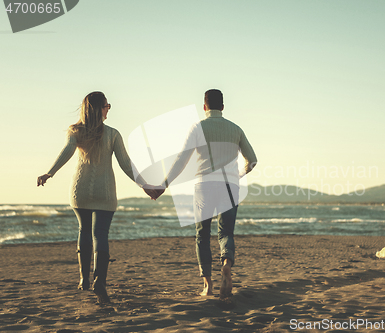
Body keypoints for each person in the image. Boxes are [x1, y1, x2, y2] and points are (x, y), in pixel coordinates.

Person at [37, 91, 160, 303]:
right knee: (100, 234)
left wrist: (50, 172)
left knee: (84, 230)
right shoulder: (112, 134)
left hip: (80, 191)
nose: (109, 109)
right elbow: (126, 164)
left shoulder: (75, 131)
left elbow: (67, 151)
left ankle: (84, 279)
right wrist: (145, 186)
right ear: (98, 109)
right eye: (107, 105)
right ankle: (99, 281)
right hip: (105, 193)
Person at [162, 89, 257, 298]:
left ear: (204, 107)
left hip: (204, 185)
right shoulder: (236, 129)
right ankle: (226, 265)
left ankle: (208, 284)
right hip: (230, 186)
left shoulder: (197, 127)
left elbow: (182, 159)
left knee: (202, 234)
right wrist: (239, 174)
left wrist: (165, 183)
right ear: (223, 107)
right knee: (226, 233)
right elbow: (253, 160)